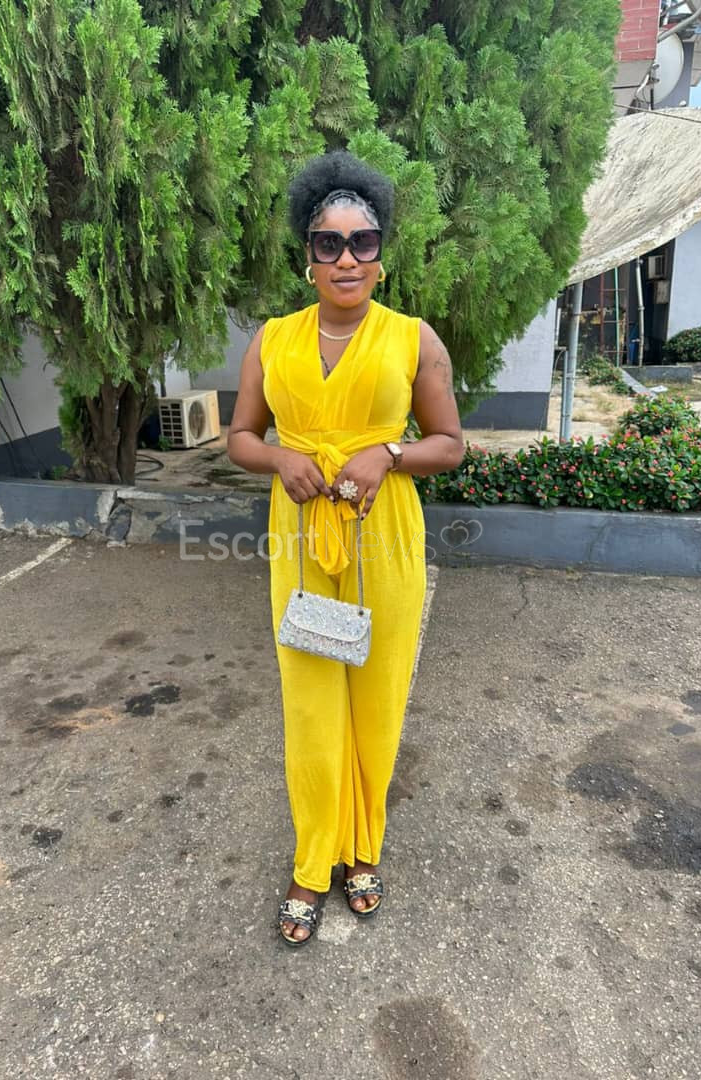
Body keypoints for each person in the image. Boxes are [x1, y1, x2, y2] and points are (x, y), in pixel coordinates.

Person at [227, 150, 463, 946]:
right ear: (308, 254)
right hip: (301, 538)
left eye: (362, 241)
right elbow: (240, 436)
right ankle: (312, 859)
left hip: (383, 539)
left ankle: (362, 849)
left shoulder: (412, 339)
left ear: (381, 251)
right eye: (328, 243)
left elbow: (450, 444)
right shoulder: (273, 340)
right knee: (310, 702)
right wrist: (279, 458)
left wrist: (388, 452)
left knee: (376, 698)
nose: (347, 259)